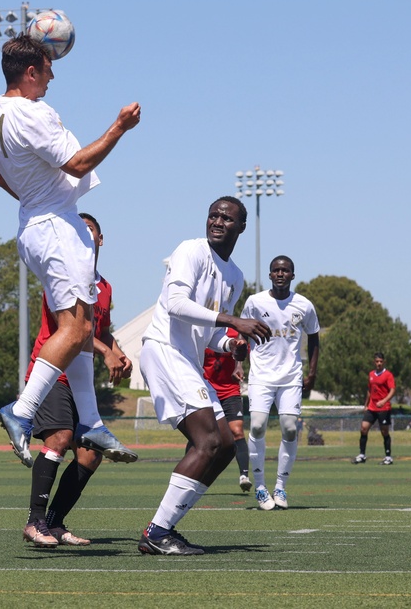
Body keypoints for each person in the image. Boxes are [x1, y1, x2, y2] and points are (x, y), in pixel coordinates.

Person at [0, 34, 141, 467]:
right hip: (54, 227)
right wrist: (119, 128)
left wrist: (38, 202)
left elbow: (0, 180)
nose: (53, 75)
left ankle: (90, 421)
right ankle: (22, 410)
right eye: (49, 68)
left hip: (35, 224)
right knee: (72, 331)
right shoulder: (32, 111)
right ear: (31, 72)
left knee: (82, 327)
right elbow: (78, 163)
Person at [137, 197, 271, 555]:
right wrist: (233, 322)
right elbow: (176, 305)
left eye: (226, 218)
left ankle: (165, 528)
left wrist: (231, 347)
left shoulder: (235, 276)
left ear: (241, 227)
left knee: (226, 445)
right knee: (208, 440)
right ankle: (157, 532)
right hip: (164, 350)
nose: (217, 221)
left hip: (187, 361)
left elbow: (209, 332)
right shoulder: (190, 250)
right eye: (213, 215)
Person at [23, 212, 131, 548]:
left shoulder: (104, 286)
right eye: (77, 232)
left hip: (79, 382)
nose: (84, 236)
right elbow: (71, 331)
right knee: (60, 438)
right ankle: (35, 522)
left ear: (100, 239)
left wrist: (118, 351)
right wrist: (105, 353)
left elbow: (99, 330)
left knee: (89, 455)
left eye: (90, 231)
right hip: (52, 373)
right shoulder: (61, 277)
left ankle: (54, 524)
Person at [242, 256, 320, 511]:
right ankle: (261, 486)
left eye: (285, 270)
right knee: (257, 424)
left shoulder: (304, 305)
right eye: (276, 270)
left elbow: (315, 338)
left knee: (289, 428)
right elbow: (241, 334)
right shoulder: (255, 302)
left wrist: (312, 373)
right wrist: (236, 365)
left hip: (290, 376)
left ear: (292, 275)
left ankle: (280, 487)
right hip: (262, 375)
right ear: (270, 274)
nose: (280, 274)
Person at [202, 327, 252, 492]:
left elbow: (243, 354)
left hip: (230, 391)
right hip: (207, 391)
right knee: (201, 434)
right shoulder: (203, 332)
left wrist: (240, 365)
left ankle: (244, 475)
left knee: (237, 431)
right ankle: (195, 477)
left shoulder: (235, 332)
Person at [352, 352, 396, 466]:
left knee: (384, 432)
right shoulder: (371, 374)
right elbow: (369, 390)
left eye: (381, 361)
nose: (379, 363)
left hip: (384, 408)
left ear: (384, 362)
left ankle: (388, 457)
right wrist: (366, 405)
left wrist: (384, 401)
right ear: (374, 362)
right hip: (372, 407)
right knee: (363, 428)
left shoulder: (388, 375)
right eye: (377, 361)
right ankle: (362, 455)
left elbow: (392, 390)